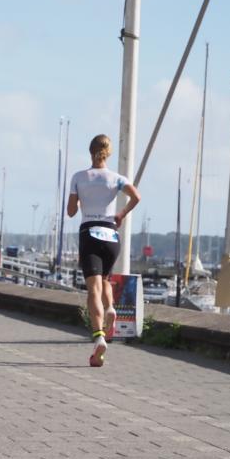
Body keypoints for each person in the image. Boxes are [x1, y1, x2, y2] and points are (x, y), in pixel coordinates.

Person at [66, 134, 141, 368]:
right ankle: (110, 308)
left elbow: (70, 211)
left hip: (90, 232)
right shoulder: (117, 178)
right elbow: (136, 196)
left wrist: (80, 201)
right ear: (108, 154)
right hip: (111, 236)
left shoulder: (79, 177)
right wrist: (120, 215)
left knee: (93, 290)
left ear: (91, 152)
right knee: (106, 280)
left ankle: (99, 336)